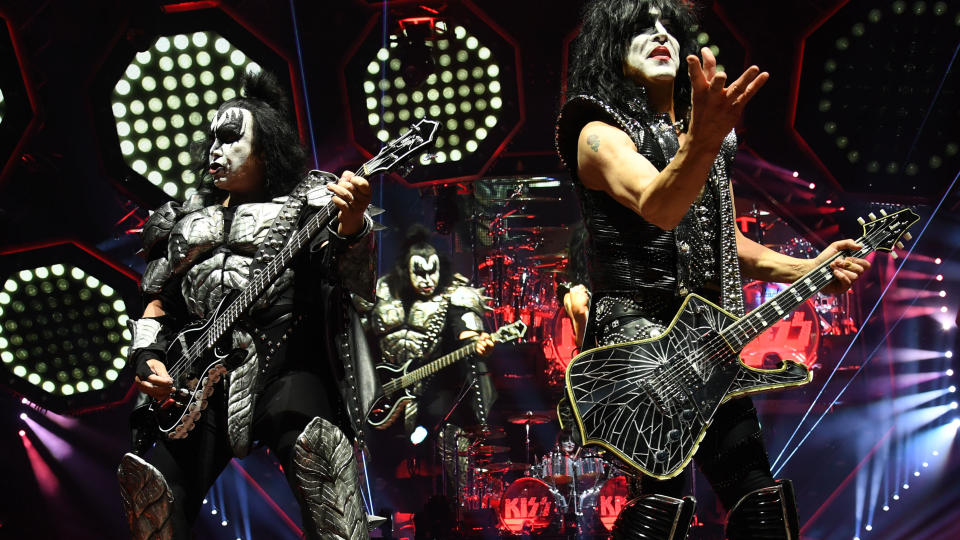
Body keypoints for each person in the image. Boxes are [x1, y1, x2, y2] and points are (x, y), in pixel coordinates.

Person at [555, 1, 871, 538]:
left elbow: (725, 240)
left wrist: (807, 266)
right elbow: (659, 205)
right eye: (640, 27)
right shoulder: (595, 131)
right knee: (661, 505)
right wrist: (702, 141)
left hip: (709, 342)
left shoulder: (705, 140)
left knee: (759, 496)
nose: (660, 35)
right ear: (611, 47)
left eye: (668, 27)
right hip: (638, 346)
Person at [116, 70, 380, 540]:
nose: (215, 149)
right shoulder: (182, 219)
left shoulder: (309, 205)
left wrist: (355, 221)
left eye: (231, 138)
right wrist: (148, 358)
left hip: (284, 361)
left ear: (266, 148)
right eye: (212, 138)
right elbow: (155, 301)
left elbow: (352, 280)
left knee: (319, 456)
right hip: (196, 378)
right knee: (150, 489)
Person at [358, 225, 495, 512]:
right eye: (419, 272)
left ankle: (465, 510)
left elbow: (465, 329)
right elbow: (358, 338)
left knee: (448, 433)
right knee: (363, 447)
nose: (427, 280)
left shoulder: (454, 293)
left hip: (434, 393)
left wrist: (475, 339)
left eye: (432, 272)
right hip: (383, 395)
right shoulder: (382, 290)